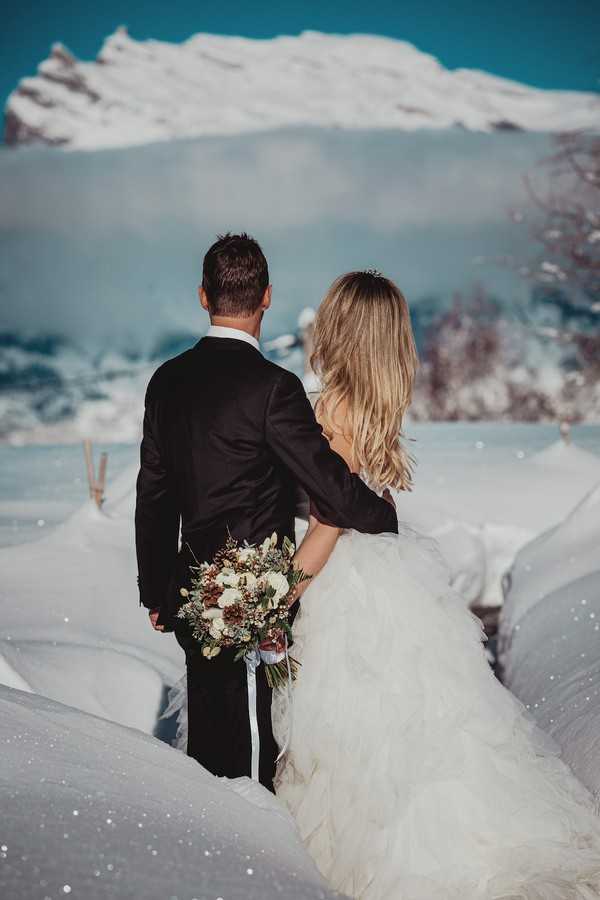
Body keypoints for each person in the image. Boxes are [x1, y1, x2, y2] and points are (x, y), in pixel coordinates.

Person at [274, 270, 600, 899]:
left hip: (342, 580)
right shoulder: (370, 399)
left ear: (338, 329)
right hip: (380, 574)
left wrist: (283, 594)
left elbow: (330, 518)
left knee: (352, 737)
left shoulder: (336, 405)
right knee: (409, 732)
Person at [134, 235, 397, 793]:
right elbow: (335, 493)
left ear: (204, 296)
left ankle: (209, 857)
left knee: (208, 748)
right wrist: (387, 519)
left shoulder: (166, 382)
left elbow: (153, 496)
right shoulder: (274, 389)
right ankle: (246, 863)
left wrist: (157, 589)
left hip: (190, 597)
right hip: (253, 601)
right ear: (268, 297)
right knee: (251, 772)